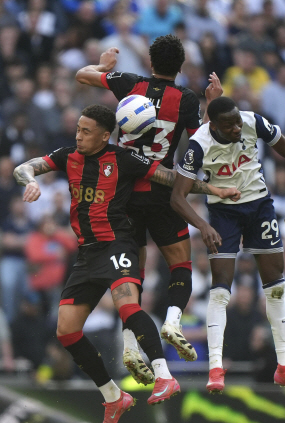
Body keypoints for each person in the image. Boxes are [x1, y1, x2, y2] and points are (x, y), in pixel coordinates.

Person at [13, 104, 238, 423]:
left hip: (119, 245)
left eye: (86, 131)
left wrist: (214, 190)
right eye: (77, 128)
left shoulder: (123, 159)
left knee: (129, 307)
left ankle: (164, 376)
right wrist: (30, 181)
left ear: (106, 136)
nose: (78, 135)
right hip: (87, 254)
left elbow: (171, 179)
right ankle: (113, 397)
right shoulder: (67, 157)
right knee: (66, 330)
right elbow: (24, 167)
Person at [75, 37, 222, 376]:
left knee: (132, 273)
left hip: (122, 194)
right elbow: (201, 140)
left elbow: (82, 75)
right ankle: (173, 321)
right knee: (180, 262)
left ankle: (129, 345)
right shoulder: (185, 99)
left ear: (151, 62)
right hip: (161, 191)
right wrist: (211, 105)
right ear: (181, 67)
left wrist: (103, 65)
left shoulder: (131, 84)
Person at [171, 96, 285, 397]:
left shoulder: (252, 121)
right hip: (224, 213)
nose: (237, 128)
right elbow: (177, 197)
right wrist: (204, 226)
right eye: (229, 125)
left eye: (237, 121)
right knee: (221, 290)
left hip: (260, 206)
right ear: (214, 125)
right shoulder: (199, 144)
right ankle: (216, 367)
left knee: (275, 287)